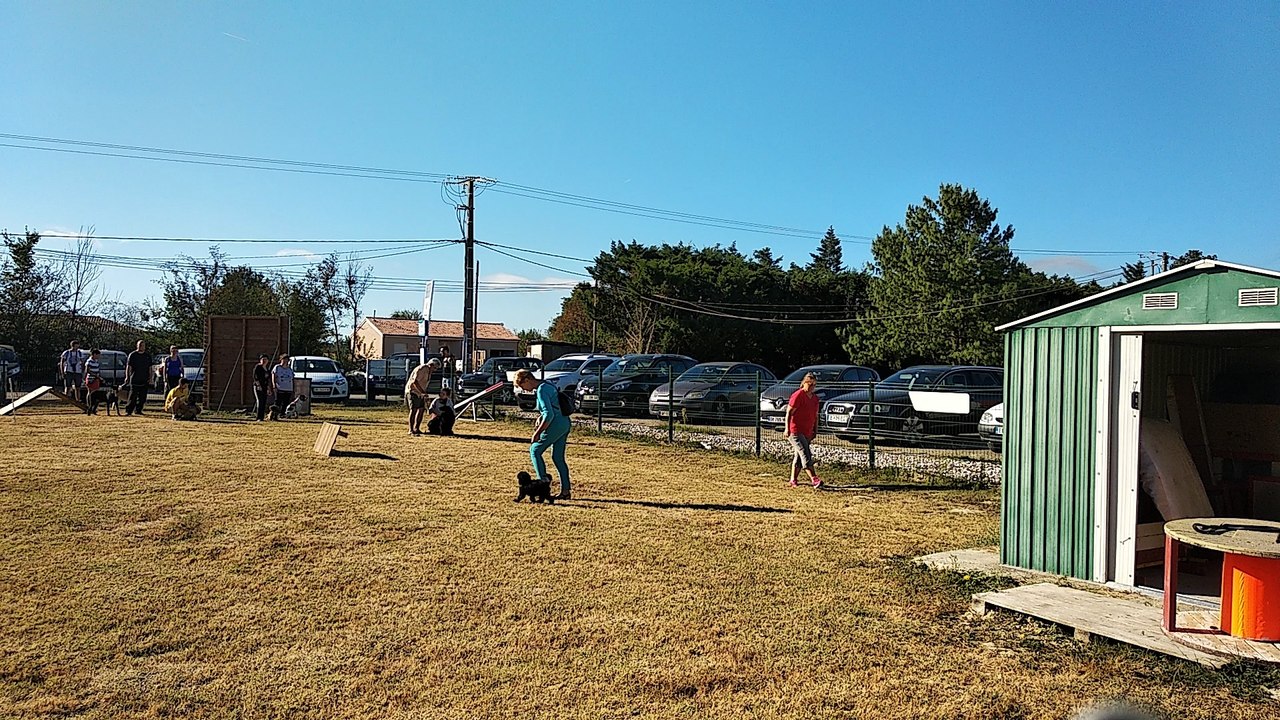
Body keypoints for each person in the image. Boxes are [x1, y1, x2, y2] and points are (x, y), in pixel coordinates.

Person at [515, 368, 572, 500]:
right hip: (564, 423)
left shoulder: (541, 390)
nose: (523, 390)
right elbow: (553, 407)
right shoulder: (547, 384)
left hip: (555, 425)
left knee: (535, 450)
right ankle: (565, 491)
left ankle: (542, 486)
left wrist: (537, 432)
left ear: (527, 380)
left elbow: (549, 414)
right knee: (558, 458)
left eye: (522, 386)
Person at [785, 372, 823, 488]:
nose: (812, 387)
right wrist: (787, 429)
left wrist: (815, 430)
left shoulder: (815, 399)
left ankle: (793, 479)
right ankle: (814, 479)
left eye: (814, 385)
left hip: (807, 431)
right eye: (810, 384)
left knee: (799, 455)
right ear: (804, 383)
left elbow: (816, 416)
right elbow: (789, 413)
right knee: (805, 453)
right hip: (795, 430)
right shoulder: (798, 395)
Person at [405, 357, 440, 435]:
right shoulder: (422, 369)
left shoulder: (428, 372)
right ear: (431, 365)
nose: (435, 370)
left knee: (421, 409)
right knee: (414, 409)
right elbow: (415, 382)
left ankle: (416, 428)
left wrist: (423, 393)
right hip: (413, 391)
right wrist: (423, 392)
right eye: (435, 368)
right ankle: (411, 430)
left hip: (420, 393)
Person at [123, 340, 151, 416]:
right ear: (137, 346)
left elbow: (150, 367)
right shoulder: (132, 355)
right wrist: (127, 376)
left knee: (143, 396)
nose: (141, 347)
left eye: (143, 345)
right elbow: (129, 367)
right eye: (140, 345)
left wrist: (150, 377)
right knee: (133, 396)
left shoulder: (147, 356)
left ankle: (138, 410)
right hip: (134, 377)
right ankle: (129, 411)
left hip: (144, 378)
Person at [271, 354, 294, 420]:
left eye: (287, 360)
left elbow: (292, 379)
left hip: (288, 388)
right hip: (280, 387)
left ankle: (282, 414)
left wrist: (293, 388)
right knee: (278, 402)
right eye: (284, 359)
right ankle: (274, 415)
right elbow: (274, 376)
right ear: (281, 360)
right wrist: (274, 385)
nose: (285, 361)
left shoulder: (289, 369)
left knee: (286, 402)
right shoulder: (277, 367)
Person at [252, 354, 272, 421]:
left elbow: (268, 379)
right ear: (260, 360)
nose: (264, 361)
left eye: (265, 359)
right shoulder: (258, 367)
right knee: (260, 401)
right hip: (258, 386)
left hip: (265, 387)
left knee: (264, 401)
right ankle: (258, 417)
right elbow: (255, 377)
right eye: (263, 359)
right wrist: (258, 385)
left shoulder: (267, 369)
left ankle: (262, 417)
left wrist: (269, 388)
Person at [83, 348, 103, 415]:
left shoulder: (96, 361)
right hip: (91, 379)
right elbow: (87, 371)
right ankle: (89, 406)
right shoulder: (89, 361)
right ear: (94, 354)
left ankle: (94, 408)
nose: (99, 356)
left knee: (96, 393)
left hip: (96, 379)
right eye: (98, 355)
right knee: (90, 392)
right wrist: (94, 375)